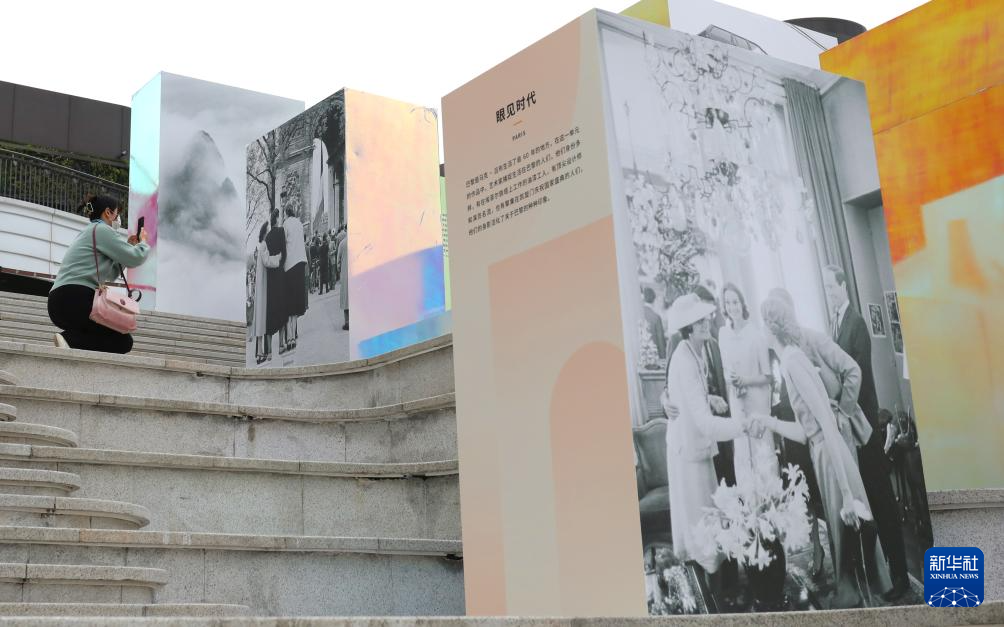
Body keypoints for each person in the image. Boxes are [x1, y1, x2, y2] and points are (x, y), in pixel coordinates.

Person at [753, 296, 892, 609]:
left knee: (851, 546)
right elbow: (805, 432)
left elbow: (827, 424)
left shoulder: (792, 361)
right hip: (822, 454)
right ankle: (855, 602)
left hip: (831, 457)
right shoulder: (790, 360)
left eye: (763, 324)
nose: (762, 331)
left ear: (772, 328)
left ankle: (860, 606)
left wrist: (847, 493)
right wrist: (767, 421)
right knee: (846, 548)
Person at [823, 265, 910, 600]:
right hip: (853, 426)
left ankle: (900, 575)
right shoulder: (835, 324)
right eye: (826, 288)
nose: (829, 293)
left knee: (882, 501)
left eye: (832, 287)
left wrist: (841, 408)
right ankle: (881, 571)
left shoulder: (856, 324)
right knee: (869, 500)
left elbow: (855, 376)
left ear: (843, 286)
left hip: (866, 427)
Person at [767, 286, 865, 580]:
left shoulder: (805, 346)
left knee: (843, 511)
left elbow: (852, 371)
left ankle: (853, 579)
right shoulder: (782, 357)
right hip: (803, 434)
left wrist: (841, 412)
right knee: (815, 501)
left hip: (826, 437)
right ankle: (831, 562)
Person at [664, 293, 745, 592]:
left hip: (701, 446)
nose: (705, 323)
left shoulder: (696, 350)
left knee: (712, 515)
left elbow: (691, 397)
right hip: (690, 451)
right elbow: (701, 421)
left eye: (705, 318)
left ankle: (722, 583)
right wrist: (742, 427)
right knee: (703, 522)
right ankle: (715, 594)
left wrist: (709, 398)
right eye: (697, 321)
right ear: (687, 327)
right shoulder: (683, 358)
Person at [47, 196, 149, 354]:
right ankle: (70, 340)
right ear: (108, 212)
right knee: (122, 341)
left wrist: (128, 246)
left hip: (60, 300)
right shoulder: (102, 230)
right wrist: (143, 243)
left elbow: (111, 274)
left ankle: (70, 340)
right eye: (117, 214)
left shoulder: (89, 232)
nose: (118, 219)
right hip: (76, 297)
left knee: (122, 341)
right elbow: (136, 257)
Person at [718, 283, 777, 486]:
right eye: (728, 303)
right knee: (742, 448)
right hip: (737, 399)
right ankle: (749, 498)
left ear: (742, 304)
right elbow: (726, 369)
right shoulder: (723, 334)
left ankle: (771, 495)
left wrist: (746, 381)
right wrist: (732, 380)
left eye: (735, 302)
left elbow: (768, 376)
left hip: (756, 400)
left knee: (761, 448)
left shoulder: (756, 334)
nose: (732, 307)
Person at [282, 206, 308, 352]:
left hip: (290, 265)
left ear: (286, 213)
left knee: (289, 304)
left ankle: (290, 337)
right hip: (300, 263)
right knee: (296, 303)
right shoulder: (299, 223)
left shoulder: (285, 224)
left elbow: (284, 244)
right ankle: (293, 335)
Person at [263, 210, 287, 354]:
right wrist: (281, 266)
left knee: (271, 310)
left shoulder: (267, 238)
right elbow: (284, 253)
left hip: (270, 278)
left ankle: (270, 351)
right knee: (282, 309)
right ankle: (281, 345)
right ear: (277, 219)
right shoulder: (281, 232)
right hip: (280, 275)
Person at [643, 287, 667, 360]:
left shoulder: (637, 314)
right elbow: (661, 342)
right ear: (654, 299)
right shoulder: (656, 317)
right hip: (654, 356)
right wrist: (663, 360)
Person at [336, 226, 349, 330]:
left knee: (345, 298)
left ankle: (347, 322)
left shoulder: (342, 244)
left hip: (345, 274)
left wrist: (340, 269)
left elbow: (338, 262)